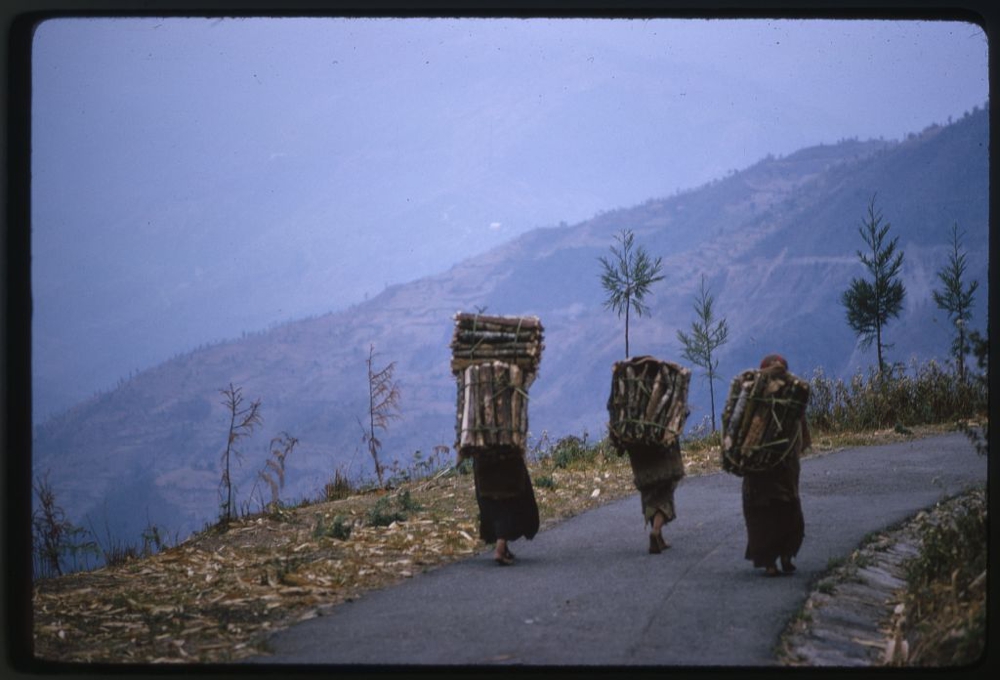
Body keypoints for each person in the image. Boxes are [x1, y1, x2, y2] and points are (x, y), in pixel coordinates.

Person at [741, 354, 810, 576]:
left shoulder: (754, 401)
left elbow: (739, 435)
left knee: (761, 516)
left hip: (757, 472)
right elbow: (804, 441)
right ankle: (786, 556)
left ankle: (769, 563)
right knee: (788, 510)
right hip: (786, 472)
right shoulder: (793, 403)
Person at [470, 446, 540, 565]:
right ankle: (500, 547)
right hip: (505, 451)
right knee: (510, 497)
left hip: (482, 453)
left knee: (491, 498)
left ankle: (503, 545)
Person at [628, 440, 685, 554]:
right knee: (664, 497)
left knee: (649, 496)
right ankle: (656, 530)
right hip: (660, 452)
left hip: (639, 457)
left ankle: (660, 539)